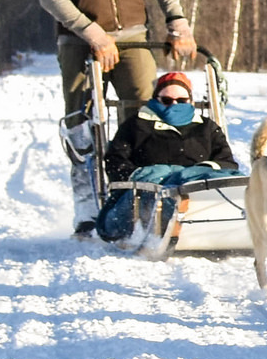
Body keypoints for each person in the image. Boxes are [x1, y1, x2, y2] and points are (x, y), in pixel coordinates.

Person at [36, 0, 197, 234]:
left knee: (143, 115)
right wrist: (91, 32)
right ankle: (87, 206)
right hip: (78, 42)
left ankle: (138, 199)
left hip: (132, 37)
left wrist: (178, 21)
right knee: (81, 121)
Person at [96, 71, 238, 242]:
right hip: (147, 195)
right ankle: (163, 224)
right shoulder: (136, 125)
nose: (174, 104)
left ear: (190, 101)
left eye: (181, 101)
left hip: (198, 189)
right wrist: (154, 175)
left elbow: (227, 164)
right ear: (156, 99)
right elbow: (115, 163)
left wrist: (191, 174)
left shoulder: (207, 128)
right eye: (167, 100)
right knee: (164, 194)